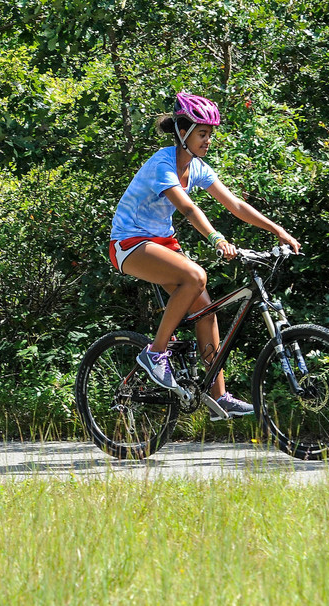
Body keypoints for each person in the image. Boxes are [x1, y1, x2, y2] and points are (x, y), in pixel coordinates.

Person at [109, 92, 301, 419]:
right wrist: (215, 237)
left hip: (161, 243)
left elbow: (236, 204)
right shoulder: (162, 164)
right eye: (202, 133)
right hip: (129, 243)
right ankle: (154, 354)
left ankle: (219, 397)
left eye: (210, 134)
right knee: (196, 276)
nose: (208, 140)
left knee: (207, 311)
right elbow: (186, 207)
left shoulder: (196, 167)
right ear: (182, 132)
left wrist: (277, 229)